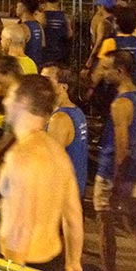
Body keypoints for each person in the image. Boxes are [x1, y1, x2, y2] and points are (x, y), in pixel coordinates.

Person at [0, 74, 84, 271]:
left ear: (23, 102)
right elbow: (73, 216)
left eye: (10, 95)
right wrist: (73, 262)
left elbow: (22, 224)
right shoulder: (57, 152)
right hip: (51, 263)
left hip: (22, 264)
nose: (4, 101)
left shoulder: (21, 156)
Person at [93, 50, 136, 271]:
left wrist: (116, 185)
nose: (103, 73)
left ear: (120, 71)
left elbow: (121, 149)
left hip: (112, 174)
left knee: (104, 226)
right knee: (134, 225)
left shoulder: (120, 104)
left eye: (107, 69)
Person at [42, 63, 89, 199]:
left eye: (46, 80)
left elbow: (52, 164)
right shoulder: (77, 112)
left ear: (63, 87)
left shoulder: (60, 119)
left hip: (61, 197)